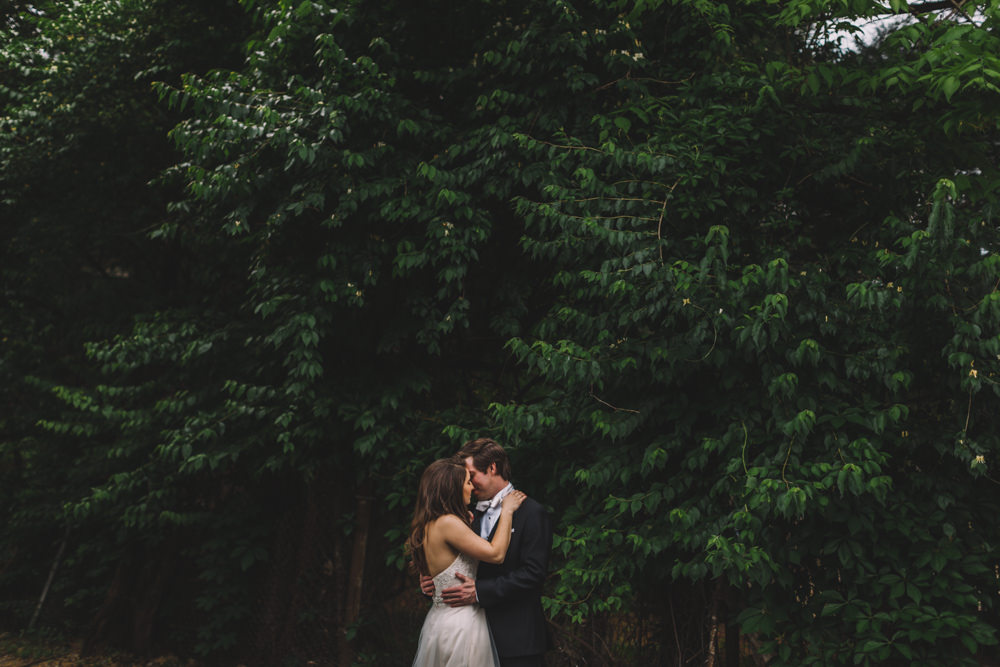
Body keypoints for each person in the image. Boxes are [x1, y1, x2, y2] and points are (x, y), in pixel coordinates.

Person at [422, 438, 553, 667]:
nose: (469, 484)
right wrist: (434, 581)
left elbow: (533, 574)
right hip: (468, 637)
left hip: (516, 640)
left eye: (471, 475)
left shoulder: (532, 513)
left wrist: (480, 591)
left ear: (492, 468)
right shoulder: (464, 515)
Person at [407, 457, 526, 666]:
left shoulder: (430, 523)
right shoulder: (448, 523)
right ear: (452, 487)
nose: (471, 487)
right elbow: (496, 554)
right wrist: (507, 511)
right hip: (461, 623)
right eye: (467, 482)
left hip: (440, 620)